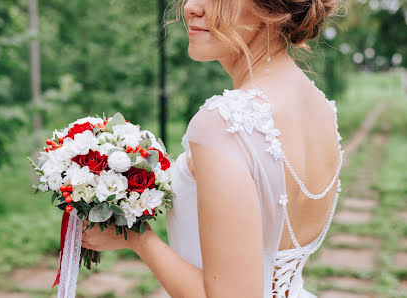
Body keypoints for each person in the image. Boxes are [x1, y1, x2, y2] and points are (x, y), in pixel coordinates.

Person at [82, 0, 343, 296]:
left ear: (269, 8)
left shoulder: (223, 123)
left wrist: (139, 240)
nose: (191, 7)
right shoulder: (320, 106)